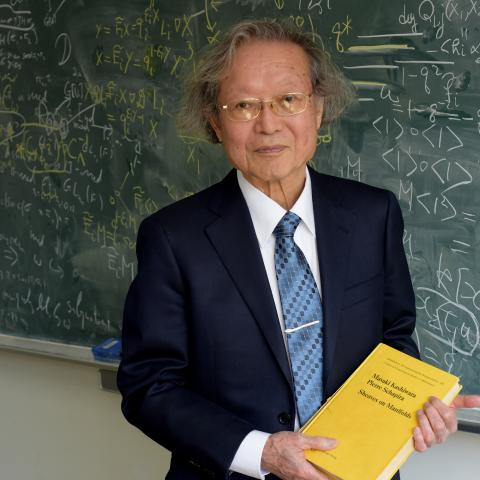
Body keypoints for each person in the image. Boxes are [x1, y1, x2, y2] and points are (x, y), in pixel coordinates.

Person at [117, 20, 480, 480]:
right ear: (215, 121)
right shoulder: (172, 238)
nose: (268, 124)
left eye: (288, 100)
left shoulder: (372, 214)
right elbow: (149, 386)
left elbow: (394, 338)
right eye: (244, 106)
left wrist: (416, 403)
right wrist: (262, 452)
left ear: (318, 108)